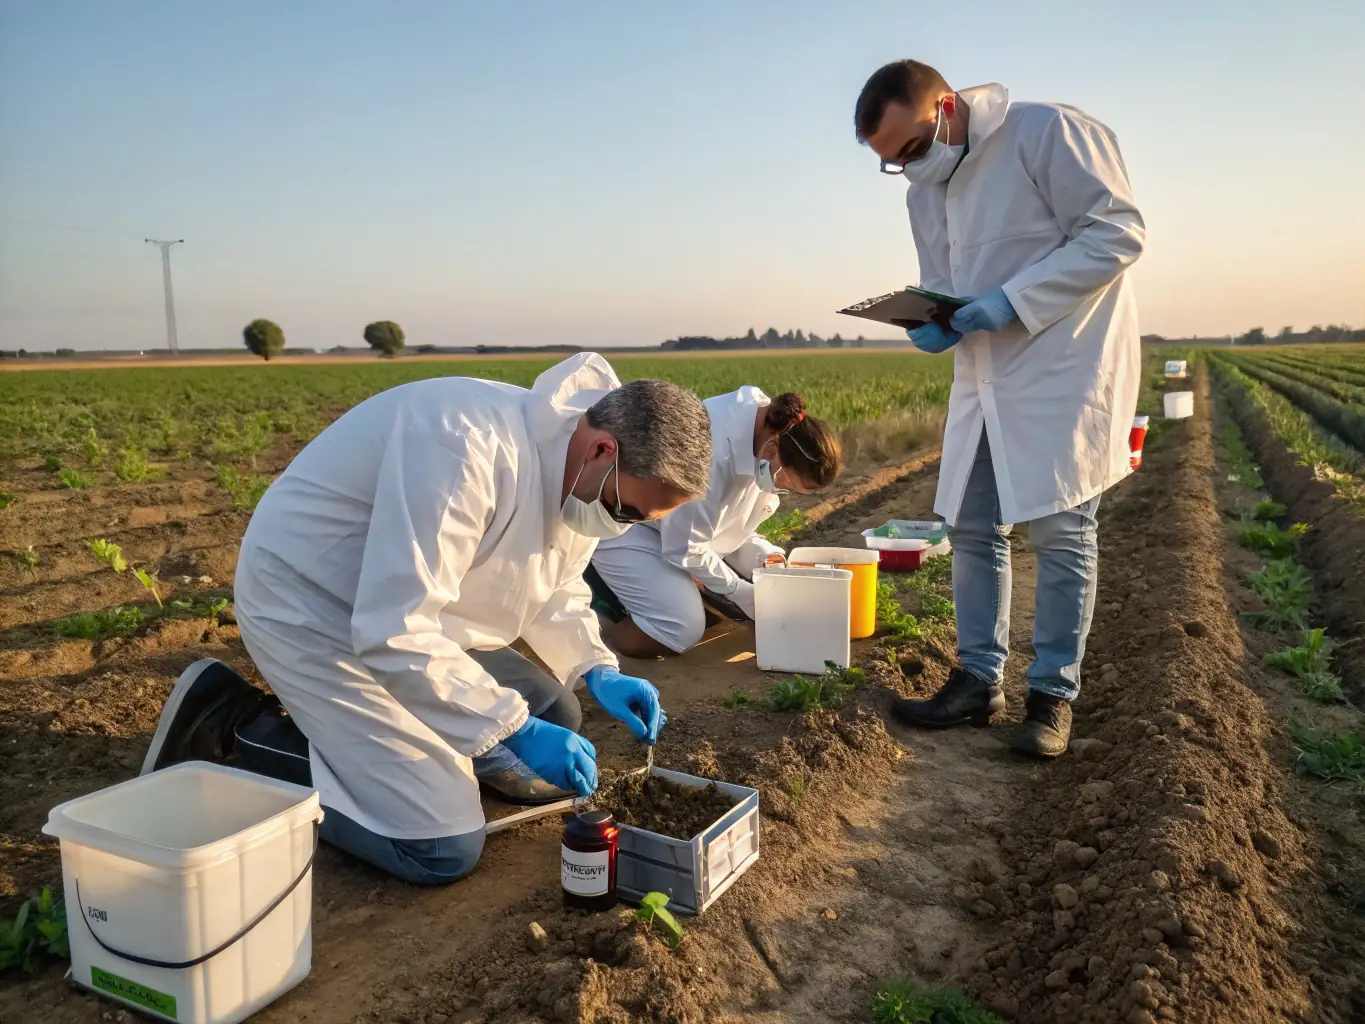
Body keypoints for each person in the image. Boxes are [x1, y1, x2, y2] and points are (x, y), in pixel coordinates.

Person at [139, 353, 714, 884]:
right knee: (439, 843)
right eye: (626, 510)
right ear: (602, 451)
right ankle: (235, 726)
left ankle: (429, 743)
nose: (622, 525)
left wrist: (595, 668)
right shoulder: (465, 448)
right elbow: (393, 630)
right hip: (317, 607)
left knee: (555, 712)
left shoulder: (576, 471)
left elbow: (557, 582)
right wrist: (507, 727)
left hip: (417, 612)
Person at [853, 60, 1144, 758]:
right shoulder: (923, 193)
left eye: (913, 149)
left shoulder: (1044, 132)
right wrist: (936, 317)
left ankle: (1051, 697)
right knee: (972, 525)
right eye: (893, 164)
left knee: (1060, 530)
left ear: (946, 108)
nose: (911, 169)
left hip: (1061, 366)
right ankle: (978, 679)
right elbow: (943, 282)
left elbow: (1116, 233)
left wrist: (1010, 301)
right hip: (981, 373)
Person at [588, 389, 841, 657]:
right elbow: (685, 547)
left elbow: (729, 524)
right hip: (628, 526)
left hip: (674, 530)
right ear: (772, 449)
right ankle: (596, 624)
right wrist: (739, 591)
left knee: (758, 583)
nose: (782, 488)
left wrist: (768, 559)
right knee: (680, 627)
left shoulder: (770, 430)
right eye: (786, 482)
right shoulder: (714, 453)